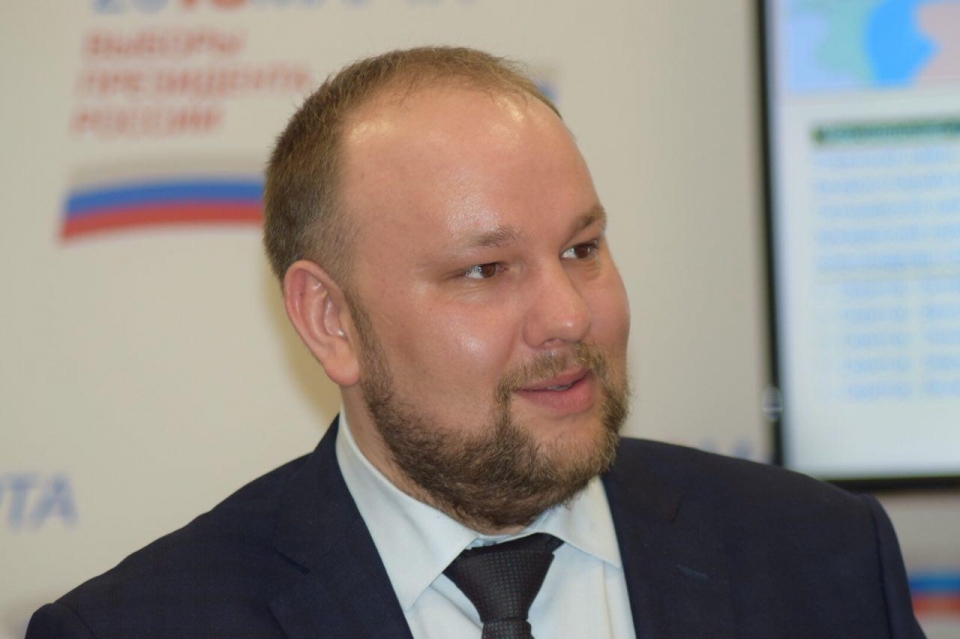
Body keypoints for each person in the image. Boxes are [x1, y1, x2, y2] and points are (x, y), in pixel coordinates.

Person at [28, 46, 924, 639]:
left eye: (582, 249)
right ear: (331, 320)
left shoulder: (822, 557)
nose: (568, 317)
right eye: (485, 270)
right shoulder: (142, 623)